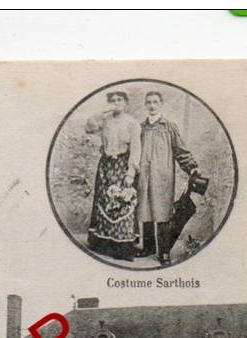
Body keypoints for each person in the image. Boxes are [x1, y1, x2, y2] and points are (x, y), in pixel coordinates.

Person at [136, 90, 200, 264]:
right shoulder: (140, 128)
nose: (152, 105)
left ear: (161, 104)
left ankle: (164, 252)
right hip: (143, 176)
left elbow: (180, 150)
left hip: (162, 176)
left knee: (162, 211)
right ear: (145, 105)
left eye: (155, 102)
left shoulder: (169, 127)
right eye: (148, 102)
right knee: (145, 209)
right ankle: (148, 247)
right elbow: (133, 151)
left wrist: (191, 167)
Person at [84, 91, 142, 261]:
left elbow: (136, 149)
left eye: (120, 100)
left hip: (123, 165)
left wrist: (131, 173)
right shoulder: (105, 120)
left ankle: (122, 247)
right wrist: (102, 111)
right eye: (113, 100)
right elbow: (89, 128)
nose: (116, 103)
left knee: (122, 201)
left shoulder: (132, 123)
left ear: (126, 102)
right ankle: (103, 244)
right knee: (104, 201)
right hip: (106, 166)